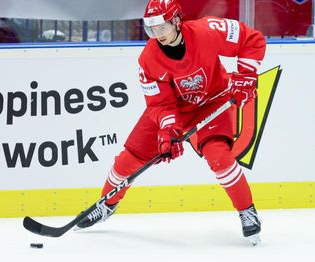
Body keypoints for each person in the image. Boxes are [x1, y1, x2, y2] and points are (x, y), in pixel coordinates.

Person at [76, 0, 265, 246]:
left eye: (161, 28)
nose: (158, 35)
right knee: (128, 159)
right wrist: (168, 130)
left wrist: (246, 75)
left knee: (219, 156)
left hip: (212, 101)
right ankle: (106, 205)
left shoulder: (208, 30)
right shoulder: (148, 59)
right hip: (175, 108)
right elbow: (160, 104)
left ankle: (246, 210)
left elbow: (252, 40)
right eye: (152, 29)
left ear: (176, 20)